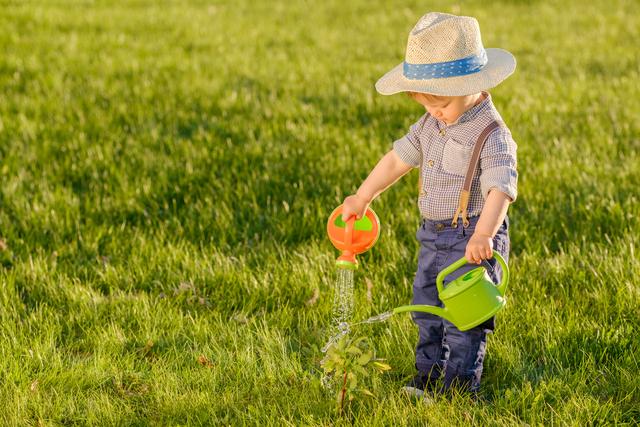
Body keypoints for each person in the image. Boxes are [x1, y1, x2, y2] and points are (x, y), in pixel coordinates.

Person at [340, 12, 518, 399]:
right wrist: (363, 195)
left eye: (442, 104)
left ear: (472, 84)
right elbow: (397, 159)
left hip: (472, 236)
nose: (435, 112)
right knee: (427, 307)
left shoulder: (492, 133)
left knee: (463, 317)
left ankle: (457, 388)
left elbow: (499, 189)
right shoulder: (430, 124)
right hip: (433, 236)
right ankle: (427, 376)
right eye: (427, 104)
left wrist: (484, 234)